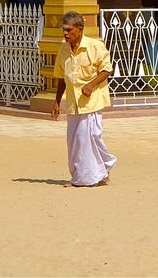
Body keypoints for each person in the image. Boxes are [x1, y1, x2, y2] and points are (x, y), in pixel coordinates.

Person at [51, 11, 116, 186]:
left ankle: (88, 177)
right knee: (75, 142)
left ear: (80, 29)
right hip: (73, 103)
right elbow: (61, 78)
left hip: (92, 102)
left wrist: (91, 85)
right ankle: (97, 171)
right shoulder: (64, 49)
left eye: (69, 30)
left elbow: (107, 69)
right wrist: (57, 101)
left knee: (90, 137)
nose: (65, 33)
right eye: (64, 30)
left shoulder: (95, 47)